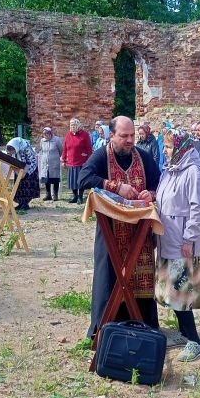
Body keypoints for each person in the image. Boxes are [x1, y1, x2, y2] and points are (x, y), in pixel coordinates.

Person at [78, 116, 161, 339]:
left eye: (132, 135)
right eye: (124, 136)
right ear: (111, 135)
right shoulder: (101, 156)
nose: (130, 140)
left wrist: (150, 193)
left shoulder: (143, 157)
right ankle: (105, 327)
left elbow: (157, 181)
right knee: (109, 276)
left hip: (139, 234)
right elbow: (84, 178)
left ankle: (141, 326)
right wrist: (114, 186)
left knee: (139, 277)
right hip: (111, 231)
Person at [155, 128, 200, 362]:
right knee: (173, 289)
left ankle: (195, 341)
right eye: (165, 147)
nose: (165, 152)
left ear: (180, 147)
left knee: (182, 290)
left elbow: (199, 208)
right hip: (169, 237)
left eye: (168, 147)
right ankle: (184, 334)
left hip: (182, 240)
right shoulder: (171, 170)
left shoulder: (194, 171)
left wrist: (190, 237)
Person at [62, 117, 93, 204]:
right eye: (71, 125)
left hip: (81, 162)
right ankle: (75, 196)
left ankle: (80, 197)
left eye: (74, 125)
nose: (72, 126)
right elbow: (65, 148)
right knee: (72, 181)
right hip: (71, 162)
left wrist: (88, 160)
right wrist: (63, 160)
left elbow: (89, 149)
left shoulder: (85, 135)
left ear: (78, 125)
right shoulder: (68, 135)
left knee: (81, 180)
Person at [6, 137, 40, 211]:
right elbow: (10, 157)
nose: (12, 152)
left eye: (13, 151)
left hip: (30, 168)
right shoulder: (13, 146)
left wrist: (24, 172)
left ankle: (25, 204)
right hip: (19, 168)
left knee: (26, 185)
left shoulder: (25, 147)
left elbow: (30, 160)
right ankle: (20, 203)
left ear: (16, 147)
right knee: (19, 185)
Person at [38, 127, 63, 201]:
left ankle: (55, 195)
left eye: (47, 134)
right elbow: (41, 150)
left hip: (54, 163)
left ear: (50, 133)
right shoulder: (42, 141)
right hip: (45, 163)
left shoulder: (56, 140)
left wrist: (55, 157)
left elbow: (61, 150)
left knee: (55, 179)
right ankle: (48, 195)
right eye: (44, 134)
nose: (46, 136)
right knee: (46, 179)